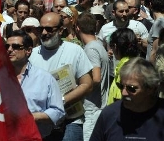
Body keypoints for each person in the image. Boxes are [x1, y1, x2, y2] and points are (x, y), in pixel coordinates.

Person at [90, 57, 164, 141]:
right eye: (121, 86)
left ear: (150, 88)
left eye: (132, 88)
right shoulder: (109, 114)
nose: (123, 93)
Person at [29, 12, 93, 141]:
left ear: (60, 30)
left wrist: (61, 101)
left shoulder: (75, 50)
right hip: (40, 123)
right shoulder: (32, 55)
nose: (44, 33)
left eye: (49, 29)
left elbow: (87, 85)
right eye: (41, 29)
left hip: (70, 121)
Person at [7, 30, 65, 138]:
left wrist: (32, 117)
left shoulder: (45, 78)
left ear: (28, 50)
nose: (9, 50)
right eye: (7, 46)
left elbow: (58, 111)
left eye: (15, 46)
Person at [75, 13, 109, 141]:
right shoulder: (98, 46)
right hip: (96, 107)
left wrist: (77, 88)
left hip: (92, 109)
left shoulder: (91, 49)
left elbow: (96, 78)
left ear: (77, 28)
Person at [107, 28, 140, 104]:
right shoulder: (136, 63)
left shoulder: (124, 68)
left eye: (111, 46)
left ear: (115, 46)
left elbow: (120, 95)